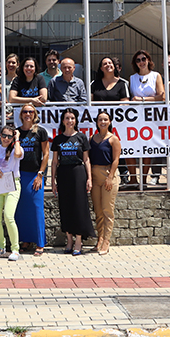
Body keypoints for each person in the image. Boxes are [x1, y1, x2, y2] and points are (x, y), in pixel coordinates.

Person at [51, 108, 94, 255]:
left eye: (72, 118)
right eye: (67, 118)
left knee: (79, 206)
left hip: (78, 173)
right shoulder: (58, 139)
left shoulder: (82, 137)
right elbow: (55, 162)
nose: (70, 121)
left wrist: (89, 178)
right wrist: (52, 181)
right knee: (65, 206)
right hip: (63, 174)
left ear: (76, 120)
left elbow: (87, 159)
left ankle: (78, 240)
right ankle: (69, 239)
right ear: (63, 121)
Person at [14, 104, 49, 256]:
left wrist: (40, 174)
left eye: (30, 111)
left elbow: (46, 154)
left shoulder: (40, 131)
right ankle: (25, 241)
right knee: (21, 210)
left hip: (35, 175)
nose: (27, 114)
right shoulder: (17, 132)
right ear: (21, 114)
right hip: (19, 174)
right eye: (25, 111)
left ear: (34, 114)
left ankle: (40, 243)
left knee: (37, 209)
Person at [129, 50, 164, 186]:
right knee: (133, 147)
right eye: (138, 60)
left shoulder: (156, 76)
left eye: (143, 59)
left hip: (152, 117)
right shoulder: (132, 78)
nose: (141, 62)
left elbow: (162, 96)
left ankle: (143, 180)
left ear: (149, 60)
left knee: (148, 147)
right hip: (136, 118)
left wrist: (142, 99)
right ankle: (133, 180)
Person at [89, 111, 121, 256]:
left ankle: (106, 241)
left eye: (105, 119)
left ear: (109, 122)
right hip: (95, 175)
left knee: (108, 210)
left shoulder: (113, 139)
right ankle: (100, 238)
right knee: (98, 210)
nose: (103, 122)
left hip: (109, 174)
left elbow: (116, 159)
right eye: (100, 119)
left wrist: (110, 177)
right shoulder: (92, 138)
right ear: (96, 122)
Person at [0, 125, 23, 261]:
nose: (6, 138)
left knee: (9, 216)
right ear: (0, 135)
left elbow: (18, 155)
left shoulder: (16, 148)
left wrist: (18, 139)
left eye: (10, 136)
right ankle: (1, 246)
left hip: (12, 183)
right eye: (4, 135)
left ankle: (15, 249)